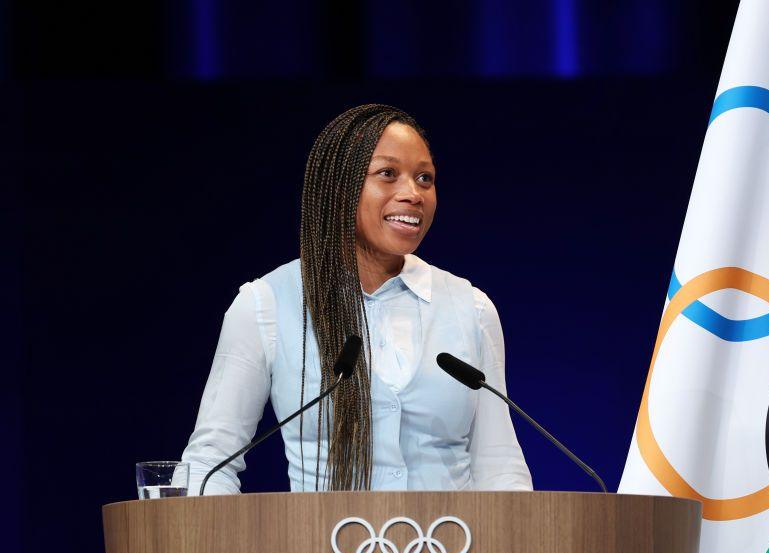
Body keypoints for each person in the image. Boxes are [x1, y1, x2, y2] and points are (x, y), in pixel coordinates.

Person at [182, 104, 533, 494]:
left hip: (458, 550)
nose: (413, 193)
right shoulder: (265, 304)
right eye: (388, 174)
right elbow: (210, 463)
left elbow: (498, 465)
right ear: (340, 186)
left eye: (424, 178)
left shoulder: (472, 308)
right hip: (323, 551)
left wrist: (516, 547)